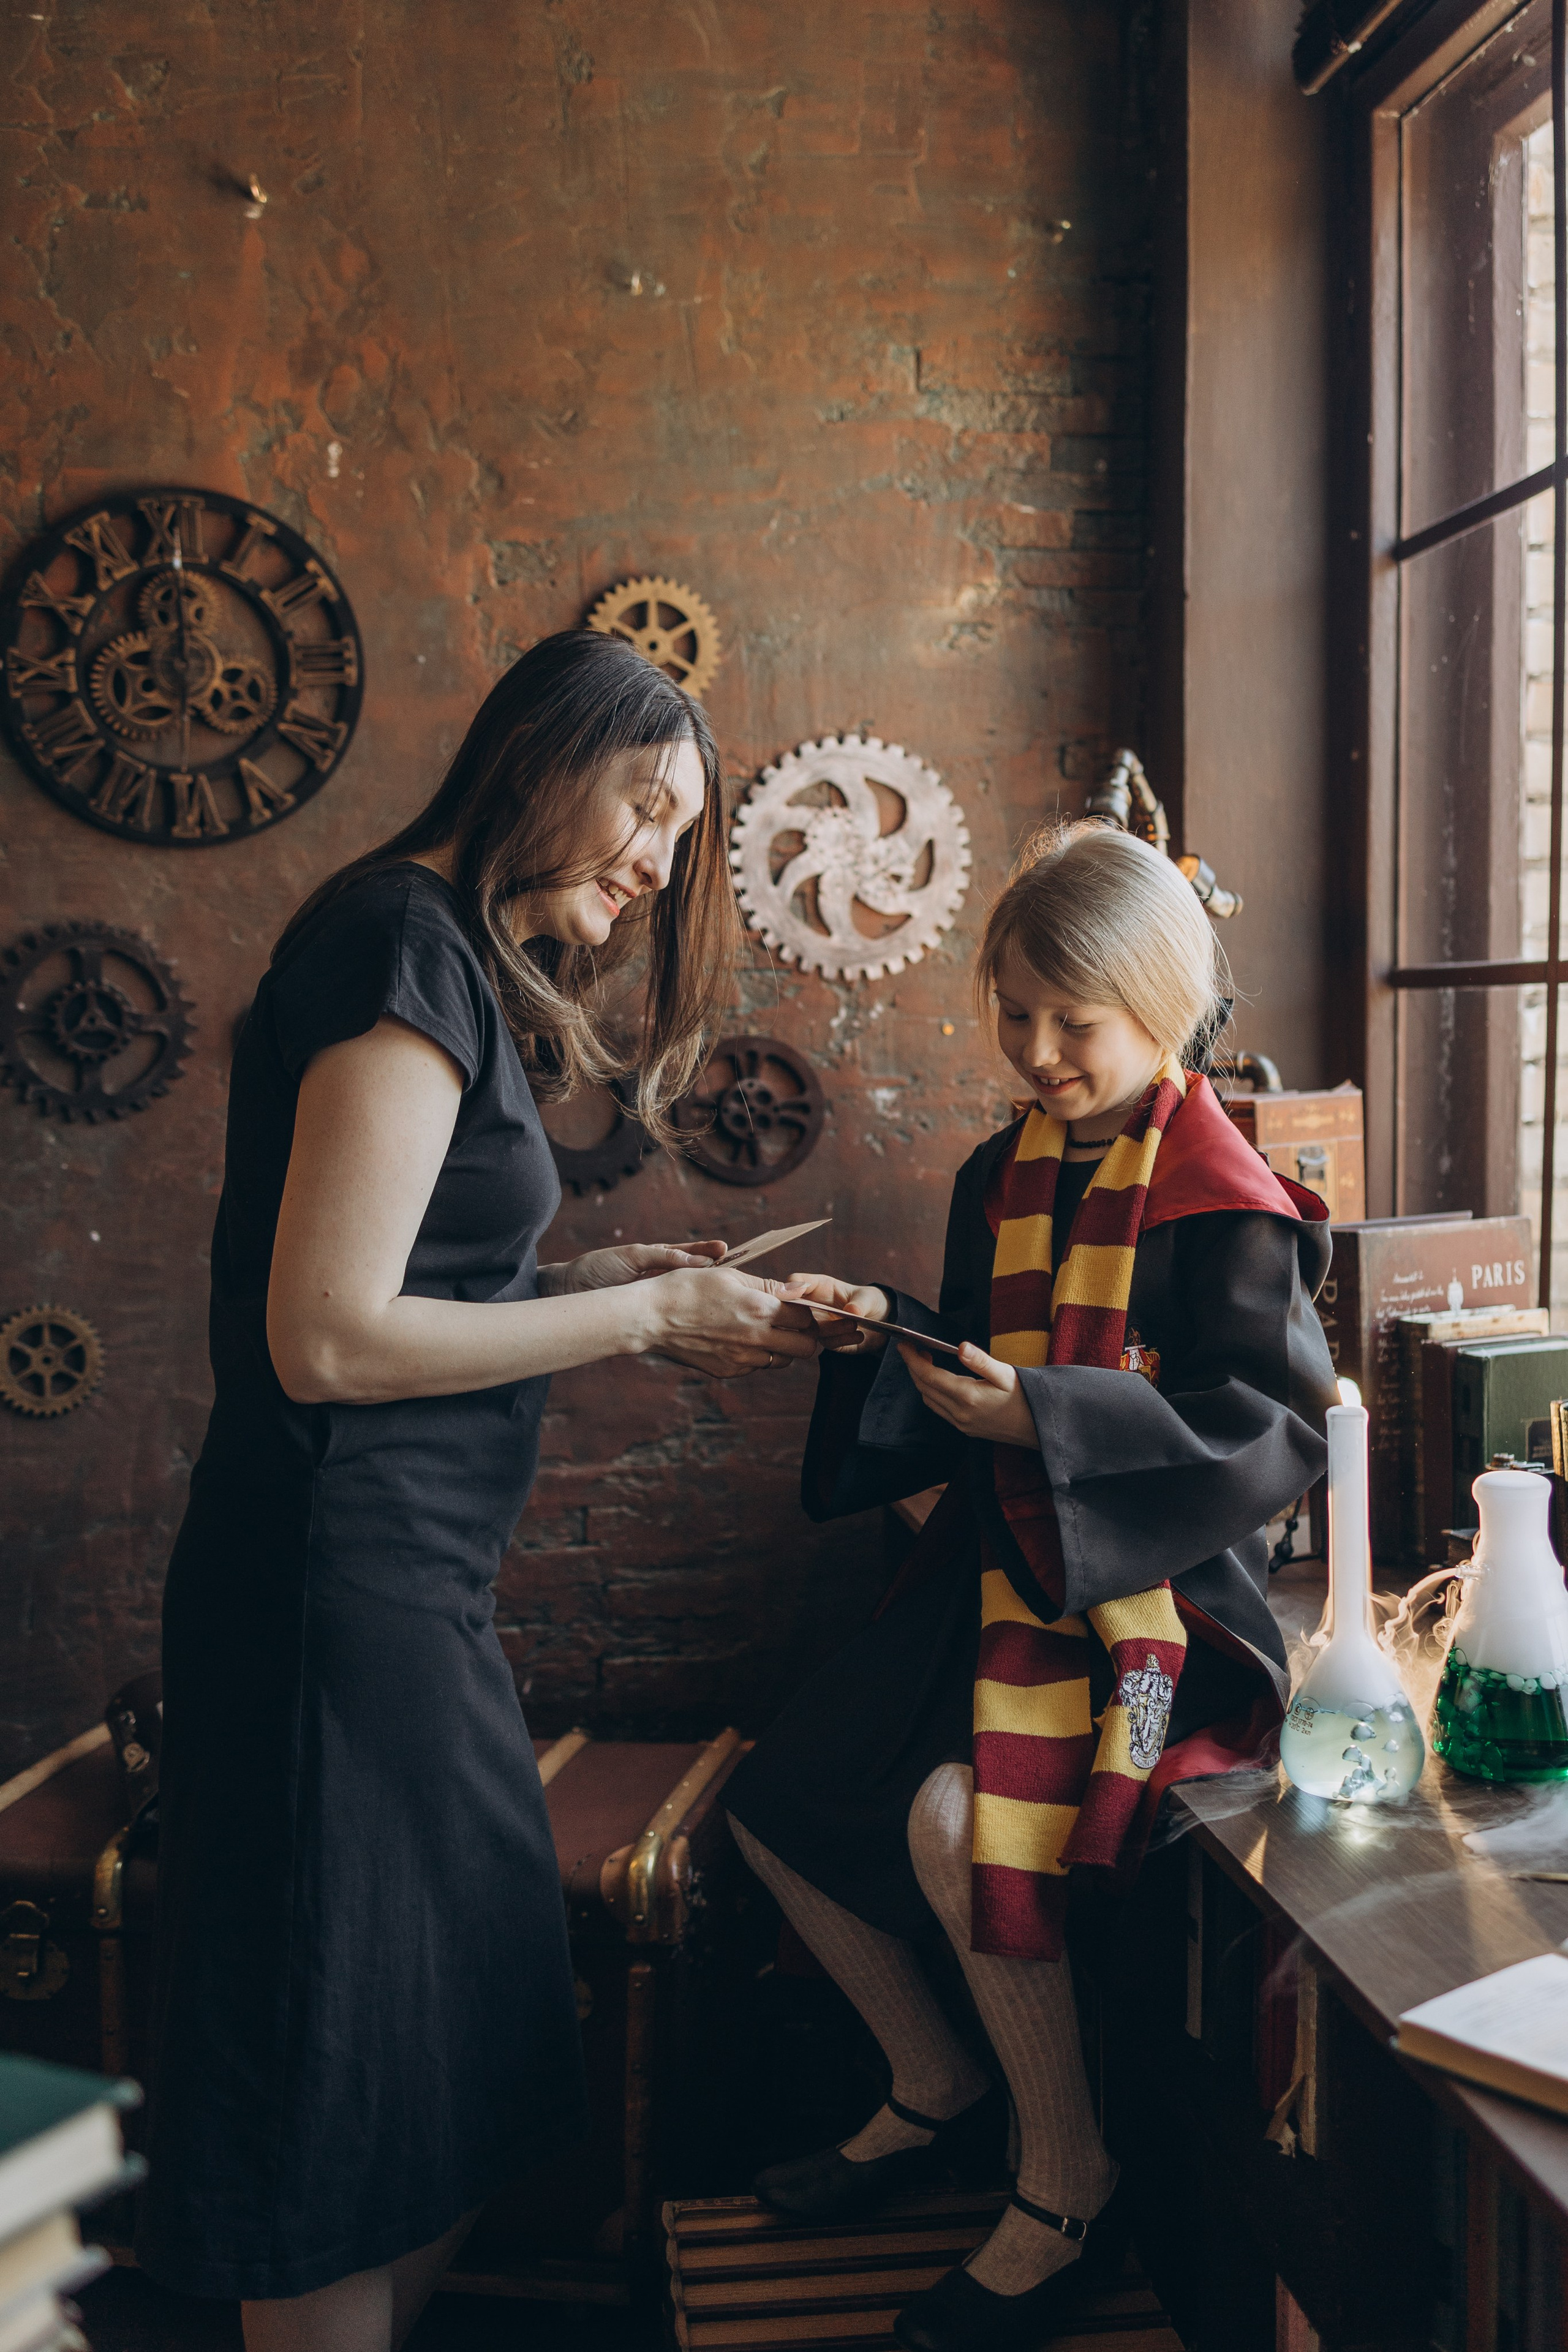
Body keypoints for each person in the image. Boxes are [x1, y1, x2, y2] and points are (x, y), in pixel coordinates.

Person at [137, 630, 819, 2351]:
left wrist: (634, 1279)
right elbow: (327, 1339)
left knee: (459, 2041)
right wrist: (651, 1312)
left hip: (404, 1593)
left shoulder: (450, 955)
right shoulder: (397, 948)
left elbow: (410, 1283)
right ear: (543, 756)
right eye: (647, 807)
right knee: (336, 2083)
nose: (661, 862)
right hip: (326, 1602)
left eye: (685, 836)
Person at [723, 821, 1338, 2352]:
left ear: (1164, 1008)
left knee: (953, 1826)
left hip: (1160, 1607)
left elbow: (1271, 1437)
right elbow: (981, 1363)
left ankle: (1062, 2183)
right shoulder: (998, 1166)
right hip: (1001, 1558)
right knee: (778, 1795)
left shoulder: (1228, 1198)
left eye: (1077, 1021)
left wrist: (1045, 1417)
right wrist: (882, 1333)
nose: (1040, 1051)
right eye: (1012, 1014)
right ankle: (932, 2084)